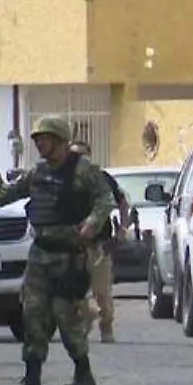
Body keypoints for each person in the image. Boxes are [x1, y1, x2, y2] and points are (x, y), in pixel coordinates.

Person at [0, 115, 115, 385]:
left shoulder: (83, 170)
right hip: (40, 253)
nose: (40, 145)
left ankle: (83, 372)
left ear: (60, 140)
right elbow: (7, 195)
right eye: (37, 140)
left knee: (64, 313)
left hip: (70, 255)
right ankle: (32, 376)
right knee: (32, 312)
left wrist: (92, 224)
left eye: (45, 139)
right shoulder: (38, 173)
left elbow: (104, 199)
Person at [68, 139, 128, 344]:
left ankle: (106, 327)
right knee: (73, 293)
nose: (80, 159)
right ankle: (86, 317)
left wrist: (122, 230)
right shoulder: (64, 180)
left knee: (102, 292)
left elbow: (122, 203)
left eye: (83, 154)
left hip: (100, 245)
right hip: (73, 246)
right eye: (75, 155)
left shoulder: (102, 178)